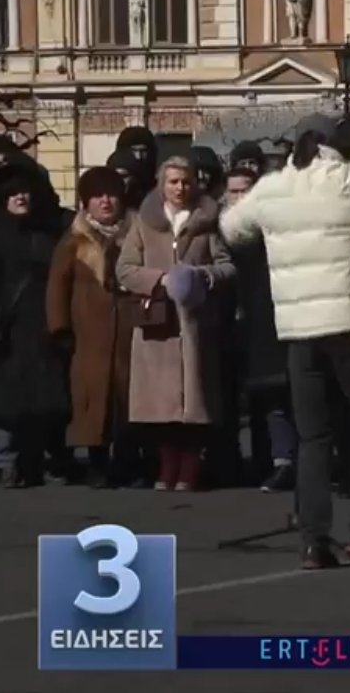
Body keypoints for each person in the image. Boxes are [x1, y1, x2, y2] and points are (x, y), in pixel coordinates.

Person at [219, 114, 350, 570]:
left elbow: (234, 228)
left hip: (298, 330)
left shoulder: (274, 186)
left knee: (313, 436)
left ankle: (314, 541)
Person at [116, 156, 235, 493]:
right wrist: (160, 279)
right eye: (173, 182)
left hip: (195, 324)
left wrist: (200, 276)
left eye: (185, 181)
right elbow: (125, 269)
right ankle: (166, 467)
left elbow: (226, 267)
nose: (180, 188)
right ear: (161, 184)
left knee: (195, 402)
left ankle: (190, 469)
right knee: (161, 404)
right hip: (157, 324)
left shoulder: (207, 222)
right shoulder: (143, 222)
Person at [0, 163, 71, 487]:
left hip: (42, 325)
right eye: (14, 193)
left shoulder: (46, 233)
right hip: (5, 328)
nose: (21, 197)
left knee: (42, 398)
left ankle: (35, 460)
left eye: (25, 192)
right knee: (3, 400)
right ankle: (6, 462)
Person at [45, 167, 137, 489]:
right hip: (88, 337)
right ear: (86, 202)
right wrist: (60, 329)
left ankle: (127, 461)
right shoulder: (73, 240)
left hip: (131, 332)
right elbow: (57, 286)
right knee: (92, 400)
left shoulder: (138, 233)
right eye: (97, 196)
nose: (105, 201)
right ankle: (97, 463)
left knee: (128, 399)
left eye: (111, 194)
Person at [223, 167, 295, 492]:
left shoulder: (275, 227)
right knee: (252, 398)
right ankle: (261, 462)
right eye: (234, 191)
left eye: (245, 190)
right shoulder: (222, 230)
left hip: (272, 318)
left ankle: (284, 461)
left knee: (277, 395)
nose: (240, 197)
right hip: (233, 320)